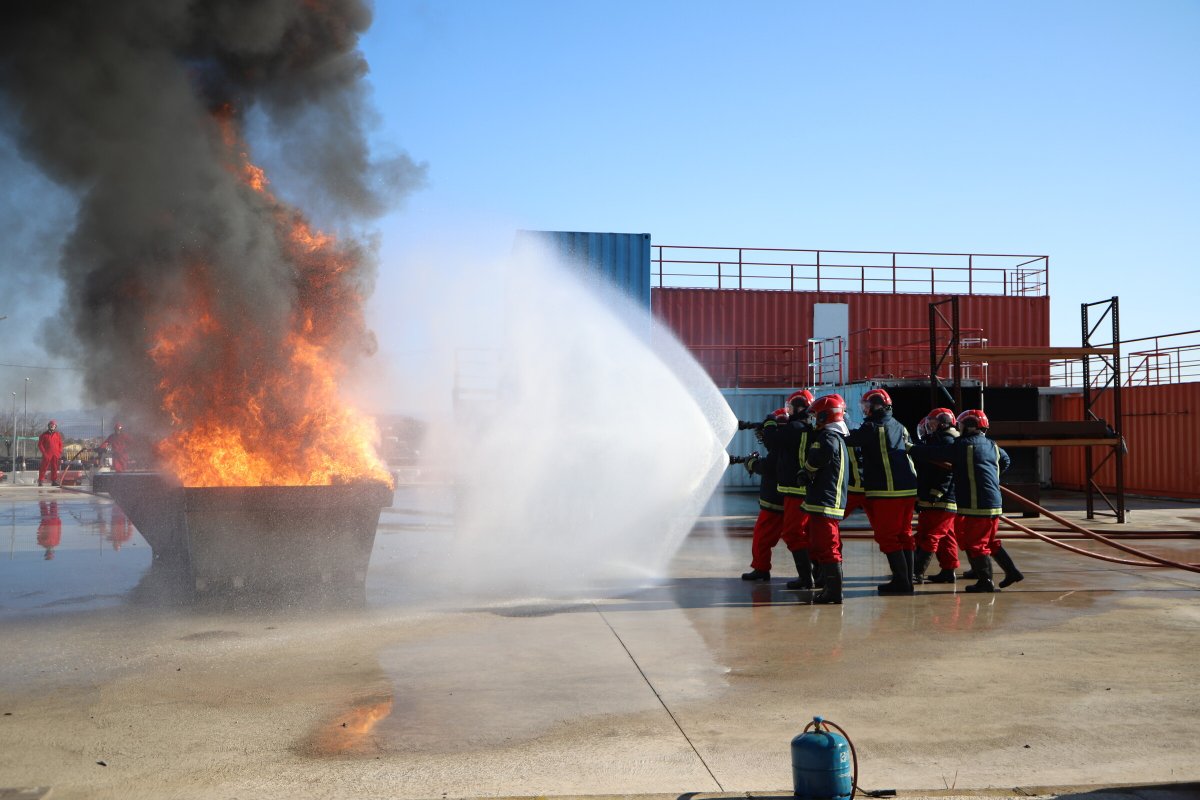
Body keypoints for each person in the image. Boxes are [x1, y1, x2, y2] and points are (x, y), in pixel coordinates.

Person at [911, 409, 1018, 593]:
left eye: (960, 425)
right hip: (994, 502)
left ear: (967, 427)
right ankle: (1012, 572)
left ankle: (985, 582)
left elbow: (936, 453)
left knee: (974, 543)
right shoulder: (992, 445)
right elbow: (1005, 460)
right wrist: (991, 477)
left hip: (976, 503)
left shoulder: (963, 445)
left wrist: (910, 448)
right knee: (989, 541)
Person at [847, 388, 918, 595]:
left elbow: (850, 440)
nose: (865, 410)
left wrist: (830, 429)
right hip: (908, 489)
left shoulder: (873, 426)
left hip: (888, 489)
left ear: (875, 406)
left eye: (866, 406)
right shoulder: (899, 425)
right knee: (904, 534)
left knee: (887, 536)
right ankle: (907, 581)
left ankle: (901, 583)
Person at [761, 389, 818, 589]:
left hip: (795, 490)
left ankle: (806, 578)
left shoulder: (794, 427)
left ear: (798, 407)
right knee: (811, 534)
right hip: (810, 490)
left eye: (790, 407)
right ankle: (818, 576)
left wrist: (770, 420)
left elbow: (770, 440)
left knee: (793, 533)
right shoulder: (812, 427)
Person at [799, 394, 851, 604]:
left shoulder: (828, 438)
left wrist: (807, 470)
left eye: (814, 416)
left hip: (825, 502)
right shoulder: (835, 437)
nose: (812, 420)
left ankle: (834, 593)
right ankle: (830, 587)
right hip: (826, 501)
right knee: (826, 544)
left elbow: (821, 455)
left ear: (824, 416)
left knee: (828, 546)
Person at [737, 408, 800, 581]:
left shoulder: (780, 448)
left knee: (762, 537)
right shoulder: (793, 443)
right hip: (790, 500)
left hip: (774, 502)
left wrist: (752, 464)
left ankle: (761, 568)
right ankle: (813, 573)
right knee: (799, 537)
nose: (763, 436)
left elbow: (768, 467)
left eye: (767, 432)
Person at [913, 409, 959, 584]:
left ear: (943, 422)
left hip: (942, 499)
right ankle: (948, 570)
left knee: (931, 536)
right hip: (936, 498)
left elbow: (948, 470)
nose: (929, 427)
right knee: (946, 537)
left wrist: (937, 492)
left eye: (932, 423)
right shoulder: (940, 440)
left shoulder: (945, 441)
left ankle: (917, 572)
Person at [36, 420, 64, 487]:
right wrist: (44, 453)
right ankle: (40, 481)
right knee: (43, 467)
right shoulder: (43, 435)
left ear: (55, 427)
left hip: (55, 454)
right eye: (51, 425)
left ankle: (54, 481)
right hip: (47, 454)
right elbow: (40, 445)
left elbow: (60, 444)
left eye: (53, 426)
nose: (52, 427)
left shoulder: (57, 435)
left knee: (54, 468)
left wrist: (59, 452)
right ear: (49, 426)